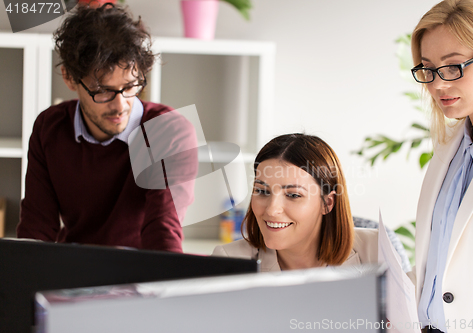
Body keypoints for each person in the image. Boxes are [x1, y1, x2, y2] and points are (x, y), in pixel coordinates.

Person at [16, 4, 197, 252]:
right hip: (74, 271)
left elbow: (163, 231)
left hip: (141, 272)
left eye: (131, 86)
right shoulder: (50, 128)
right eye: (102, 91)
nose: (120, 105)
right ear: (69, 78)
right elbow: (36, 230)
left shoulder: (169, 130)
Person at [410, 0, 473, 332]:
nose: (437, 85)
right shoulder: (449, 149)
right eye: (427, 68)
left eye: (453, 66)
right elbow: (439, 265)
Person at [212, 133, 378, 271]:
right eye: (262, 191)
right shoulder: (228, 260)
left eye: (293, 195)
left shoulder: (375, 250)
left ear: (327, 203)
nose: (272, 210)